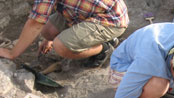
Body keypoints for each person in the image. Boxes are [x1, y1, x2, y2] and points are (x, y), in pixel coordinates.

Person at [0, 0, 129, 68]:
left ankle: (104, 48)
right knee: (47, 31)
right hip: (82, 13)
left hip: (110, 20)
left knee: (61, 46)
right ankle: (80, 38)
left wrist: (12, 53)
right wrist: (49, 38)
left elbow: (35, 23)